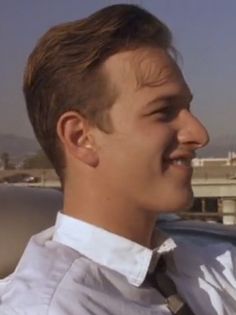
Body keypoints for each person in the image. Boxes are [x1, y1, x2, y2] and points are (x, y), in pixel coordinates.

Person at [0, 4, 235, 315]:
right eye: (163, 111)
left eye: (187, 108)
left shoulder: (213, 268)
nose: (200, 134)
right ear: (80, 137)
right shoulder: (47, 307)